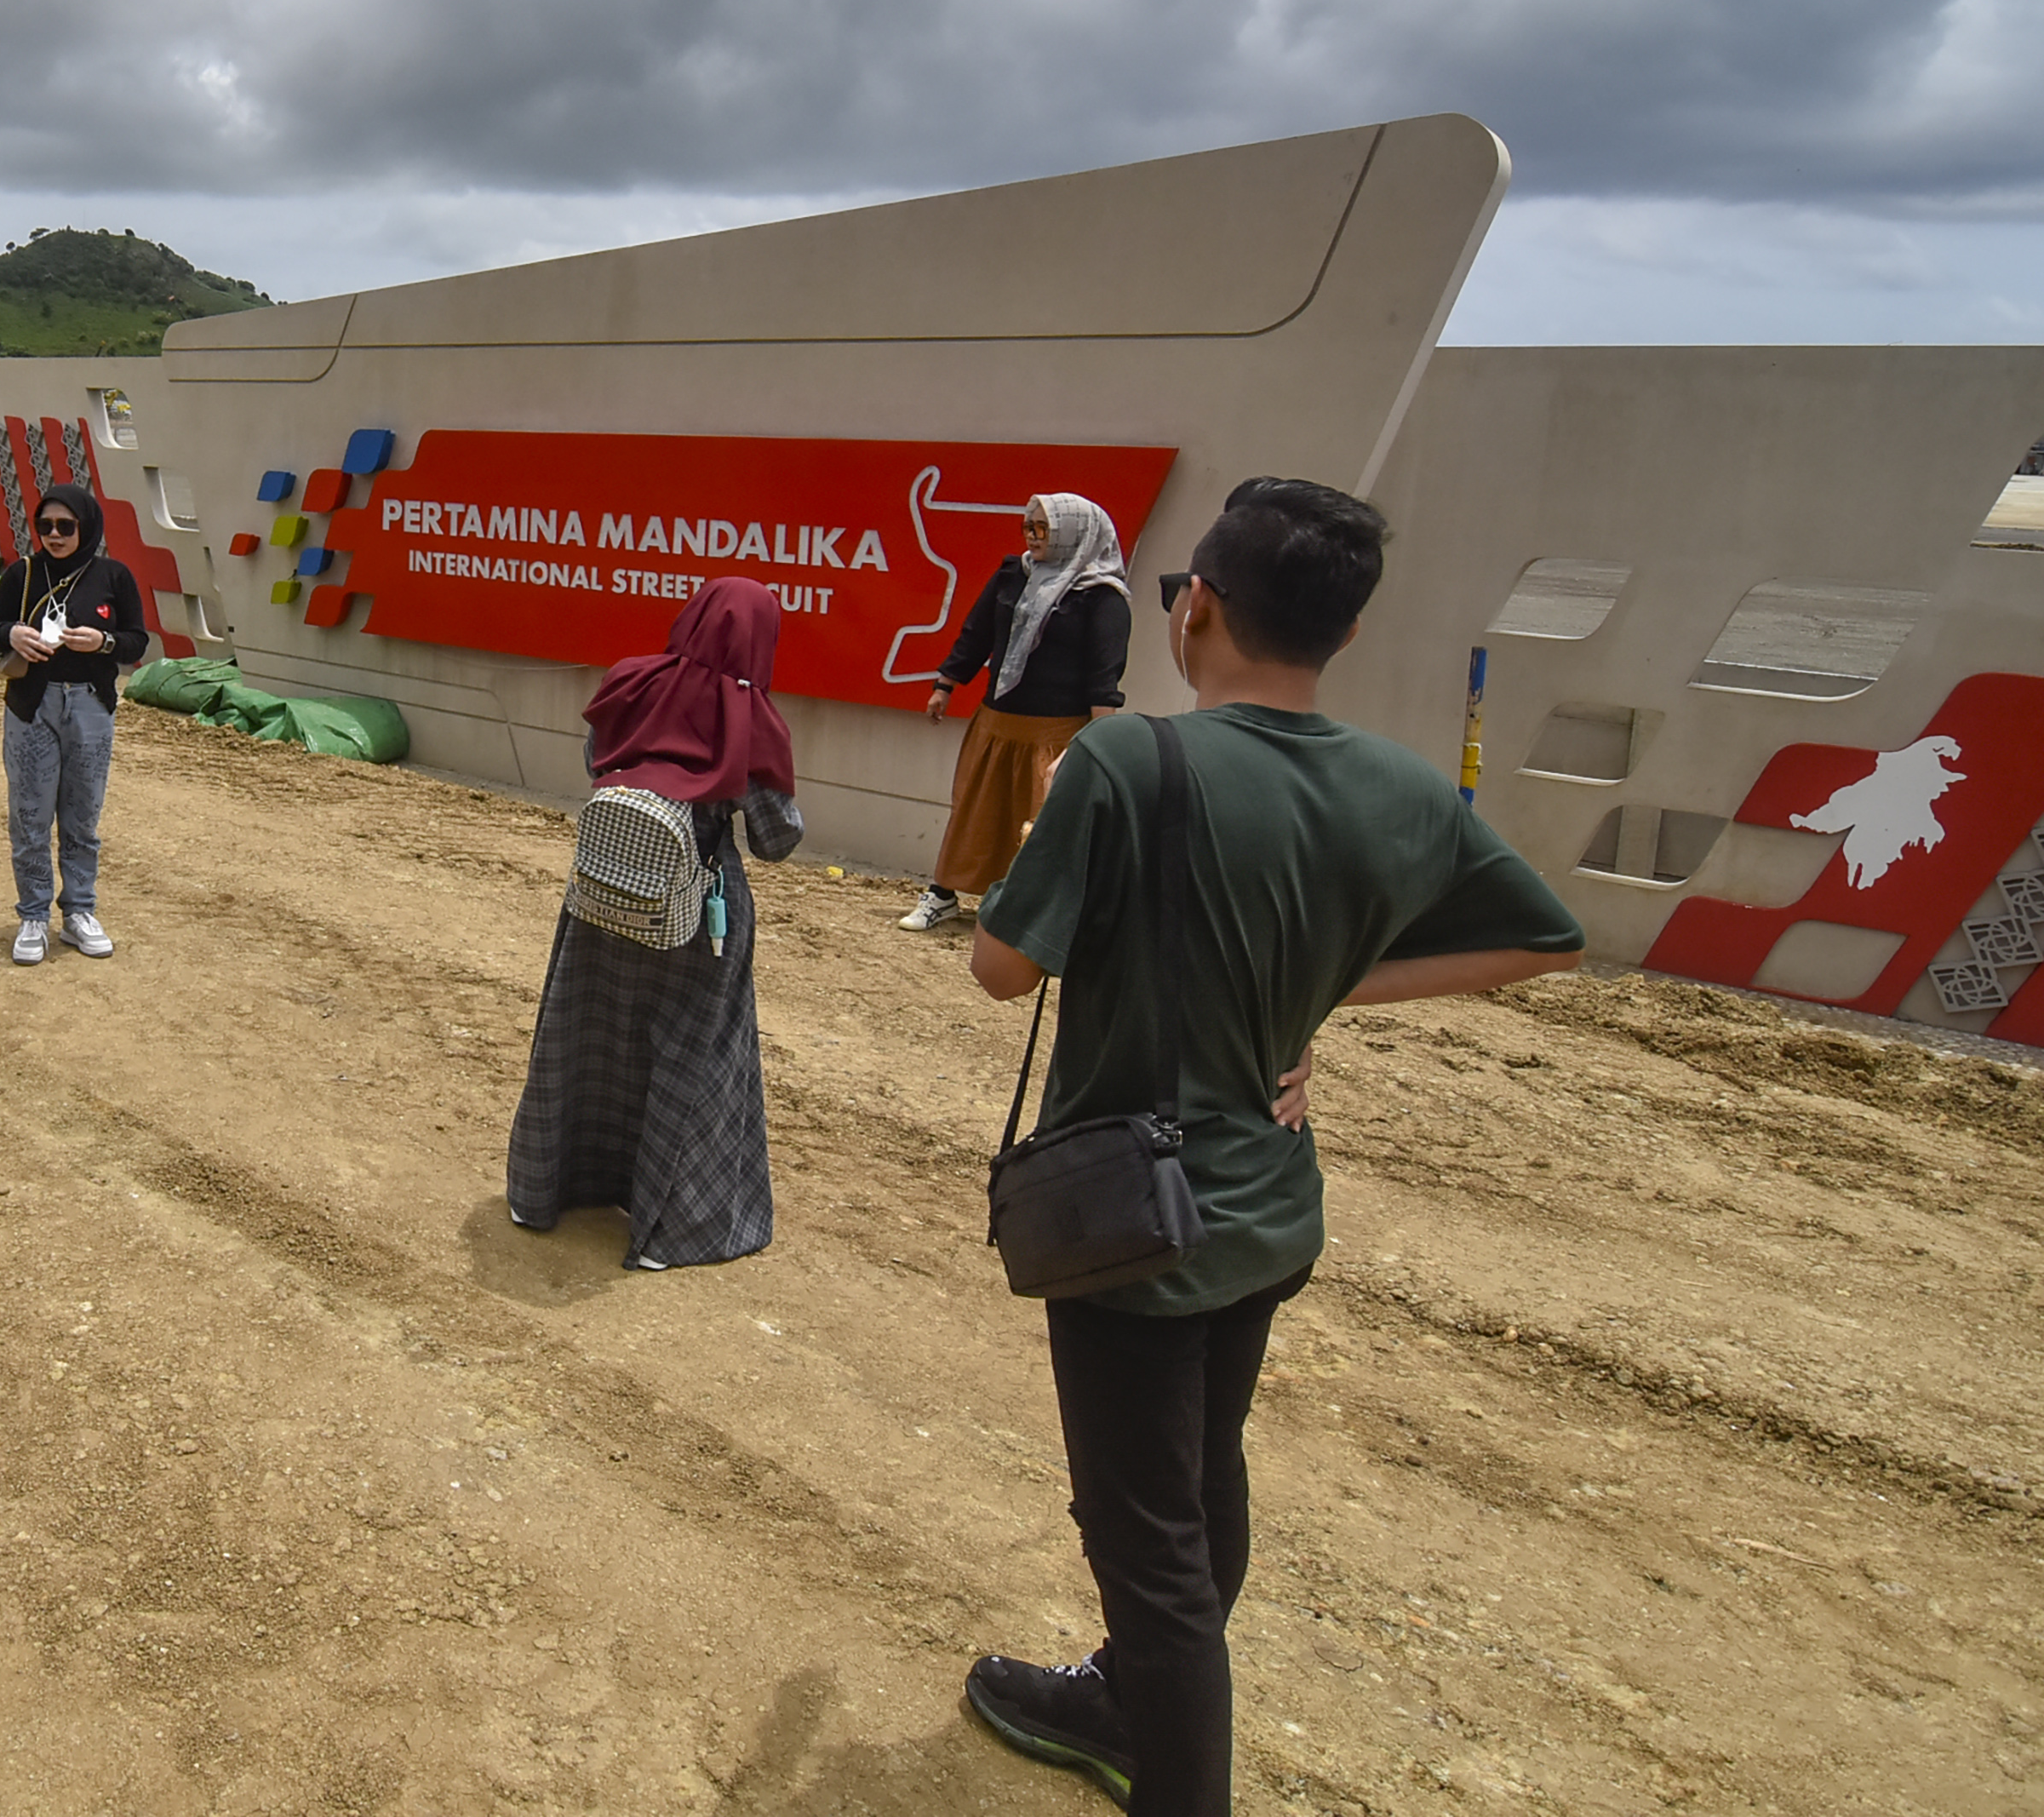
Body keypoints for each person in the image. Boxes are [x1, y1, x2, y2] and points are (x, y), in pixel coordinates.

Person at [959, 479, 1584, 1817]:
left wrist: (1046, 830)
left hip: (1134, 1222)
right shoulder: (1403, 786)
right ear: (1341, 635)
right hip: (1266, 1214)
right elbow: (1545, 937)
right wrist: (1322, 991)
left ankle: (1152, 1736)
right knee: (1200, 1468)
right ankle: (1122, 1692)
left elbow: (1001, 967)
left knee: (1150, 1549)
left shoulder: (1125, 760)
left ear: (1198, 607)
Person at [503, 576, 804, 1270]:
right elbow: (775, 839)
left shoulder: (632, 682)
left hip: (605, 884)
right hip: (699, 904)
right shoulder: (750, 719)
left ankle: (539, 1192)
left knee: (585, 1026)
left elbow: (596, 762)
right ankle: (671, 1231)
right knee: (693, 1050)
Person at [901, 492, 1131, 931]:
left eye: (1044, 529)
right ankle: (943, 894)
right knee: (974, 809)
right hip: (998, 722)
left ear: (1075, 534)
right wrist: (946, 683)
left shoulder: (1102, 597)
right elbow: (978, 632)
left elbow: (1105, 674)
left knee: (1044, 824)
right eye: (1029, 527)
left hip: (1057, 733)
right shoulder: (1014, 574)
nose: (1033, 537)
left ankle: (1027, 915)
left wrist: (1099, 744)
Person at [0, 479, 148, 965]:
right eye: (45, 526)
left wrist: (103, 643)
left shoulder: (113, 576)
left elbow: (137, 639)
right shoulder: (23, 574)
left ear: (86, 526)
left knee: (82, 816)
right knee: (30, 815)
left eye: (65, 526)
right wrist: (12, 632)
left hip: (91, 706)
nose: (54, 536)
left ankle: (79, 912)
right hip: (32, 706)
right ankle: (33, 915)